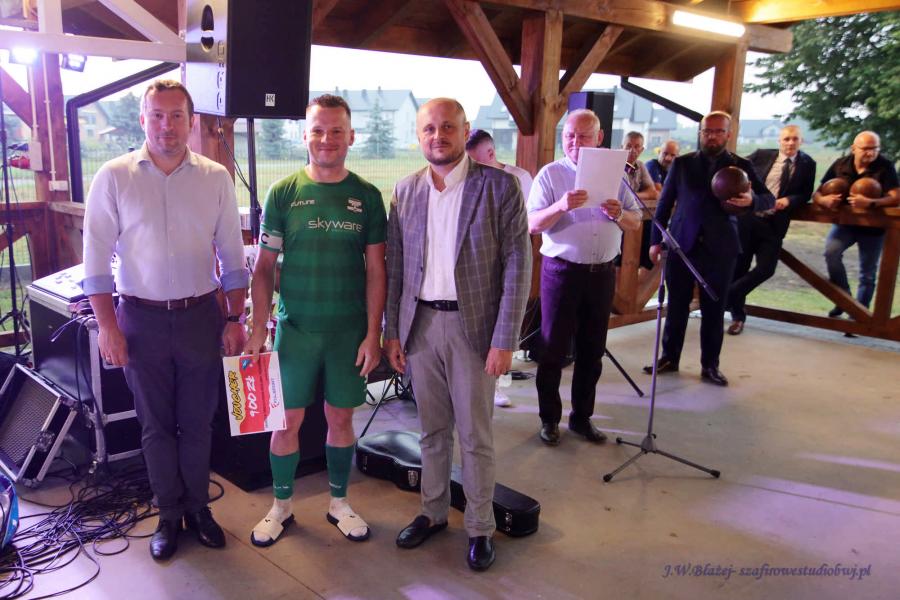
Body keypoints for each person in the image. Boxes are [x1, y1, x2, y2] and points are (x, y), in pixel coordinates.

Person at [82, 80, 248, 561]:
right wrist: (108, 327)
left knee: (197, 423)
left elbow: (232, 255)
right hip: (140, 320)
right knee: (155, 426)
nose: (166, 125)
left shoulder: (216, 177)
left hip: (201, 317)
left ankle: (199, 509)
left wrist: (235, 317)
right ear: (142, 120)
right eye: (157, 115)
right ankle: (168, 515)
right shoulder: (114, 177)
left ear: (192, 122)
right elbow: (96, 258)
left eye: (177, 115)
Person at [385, 98, 530, 572]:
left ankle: (480, 527)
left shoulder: (499, 187)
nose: (438, 135)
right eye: (429, 128)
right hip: (421, 327)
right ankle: (432, 512)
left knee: (474, 436)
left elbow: (518, 265)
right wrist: (393, 333)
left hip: (475, 329)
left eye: (448, 127)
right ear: (418, 135)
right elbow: (396, 267)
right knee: (431, 431)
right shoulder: (405, 190)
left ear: (465, 131)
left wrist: (505, 339)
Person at [244, 94, 386, 547]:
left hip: (348, 333)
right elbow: (264, 268)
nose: (327, 139)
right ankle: (281, 507)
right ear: (304, 135)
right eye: (318, 130)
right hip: (296, 332)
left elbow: (377, 270)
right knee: (286, 422)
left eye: (336, 131)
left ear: (351, 136)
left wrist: (374, 334)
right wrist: (257, 329)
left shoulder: (367, 197)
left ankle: (339, 503)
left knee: (340, 418)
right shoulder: (283, 193)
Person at [527, 110, 642, 446]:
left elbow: (636, 221)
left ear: (599, 138)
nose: (575, 142)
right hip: (562, 272)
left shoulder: (616, 175)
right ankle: (549, 419)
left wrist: (619, 214)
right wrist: (561, 206)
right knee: (552, 349)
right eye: (569, 136)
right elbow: (532, 224)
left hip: (602, 274)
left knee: (592, 351)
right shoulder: (551, 174)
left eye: (583, 136)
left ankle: (581, 418)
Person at [643, 111, 774, 386]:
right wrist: (655, 240)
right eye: (707, 131)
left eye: (717, 131)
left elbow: (768, 199)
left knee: (714, 309)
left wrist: (751, 201)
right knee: (676, 305)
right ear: (700, 133)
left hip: (721, 248)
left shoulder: (741, 166)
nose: (711, 136)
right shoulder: (682, 164)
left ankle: (710, 365)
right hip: (682, 245)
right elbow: (663, 205)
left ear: (728, 134)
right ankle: (669, 357)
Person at [465, 128, 533, 407]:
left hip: (505, 261)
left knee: (502, 326)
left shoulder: (518, 179)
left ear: (491, 153)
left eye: (475, 160)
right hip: (476, 264)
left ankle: (497, 385)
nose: (470, 167)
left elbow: (521, 226)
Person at [726, 125, 816, 335]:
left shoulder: (808, 164)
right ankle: (738, 318)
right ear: (779, 141)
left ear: (801, 141)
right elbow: (736, 169)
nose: (790, 143)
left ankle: (728, 295)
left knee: (766, 269)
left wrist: (790, 200)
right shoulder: (761, 155)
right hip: (748, 220)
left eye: (795, 139)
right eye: (786, 139)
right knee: (739, 268)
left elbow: (805, 193)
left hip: (774, 224)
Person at [813, 131, 899, 317]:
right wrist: (824, 201)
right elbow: (818, 193)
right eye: (866, 148)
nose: (870, 152)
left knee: (867, 274)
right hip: (845, 224)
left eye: (875, 148)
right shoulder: (841, 164)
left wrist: (871, 203)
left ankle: (859, 317)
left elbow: (895, 197)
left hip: (873, 228)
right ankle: (844, 300)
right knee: (831, 253)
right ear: (854, 148)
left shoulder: (885, 166)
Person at [621, 131, 659, 270]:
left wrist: (633, 196)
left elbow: (652, 192)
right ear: (621, 147)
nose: (632, 150)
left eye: (637, 146)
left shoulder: (640, 166)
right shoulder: (614, 163)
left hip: (634, 217)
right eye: (628, 146)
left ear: (642, 150)